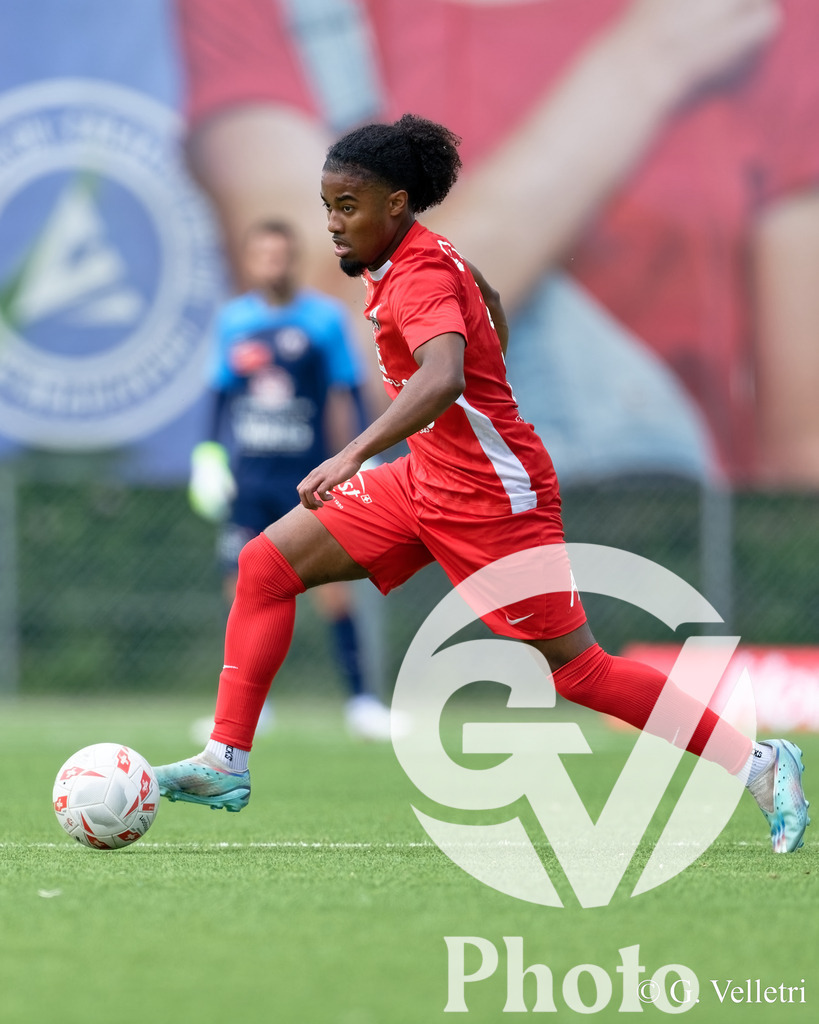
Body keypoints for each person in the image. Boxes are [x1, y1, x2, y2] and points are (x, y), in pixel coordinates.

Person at [156, 114, 809, 854]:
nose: (332, 224)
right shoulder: (416, 259)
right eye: (327, 204)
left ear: (395, 205)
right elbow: (486, 297)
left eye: (347, 206)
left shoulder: (421, 271)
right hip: (425, 479)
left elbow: (441, 376)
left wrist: (351, 453)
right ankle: (226, 761)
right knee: (265, 565)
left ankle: (760, 762)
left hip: (493, 499)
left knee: (578, 673)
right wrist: (479, 338)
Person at [173, 0, 819, 488]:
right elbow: (330, 349)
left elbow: (803, 455)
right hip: (410, 571)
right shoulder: (285, 14)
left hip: (671, 583)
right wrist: (641, 65)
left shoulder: (769, 21)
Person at [188, 218, 395, 741]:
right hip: (249, 482)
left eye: (280, 256)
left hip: (309, 481)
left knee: (333, 594)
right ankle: (250, 709)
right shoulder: (234, 321)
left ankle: (362, 701)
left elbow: (345, 392)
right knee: (241, 594)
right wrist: (208, 456)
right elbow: (218, 396)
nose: (272, 265)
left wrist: (354, 457)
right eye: (263, 256)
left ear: (292, 260)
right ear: (251, 261)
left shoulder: (323, 321)